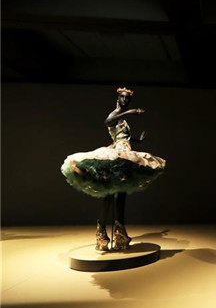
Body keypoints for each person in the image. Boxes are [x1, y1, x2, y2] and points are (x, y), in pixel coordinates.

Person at [61, 87, 166, 250]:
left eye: (128, 99)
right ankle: (101, 232)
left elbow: (124, 137)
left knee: (122, 192)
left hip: (125, 152)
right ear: (118, 99)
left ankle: (119, 233)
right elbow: (107, 122)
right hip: (117, 153)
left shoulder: (122, 118)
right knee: (109, 193)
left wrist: (137, 140)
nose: (125, 101)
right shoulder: (115, 114)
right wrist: (130, 112)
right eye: (123, 98)